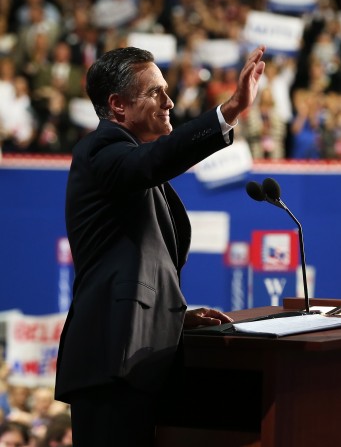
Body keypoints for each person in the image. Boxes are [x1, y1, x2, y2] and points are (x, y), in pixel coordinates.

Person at [54, 44, 266, 446]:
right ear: (117, 105)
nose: (169, 102)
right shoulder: (99, 150)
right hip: (111, 360)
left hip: (139, 357)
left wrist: (174, 317)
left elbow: (139, 260)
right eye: (156, 92)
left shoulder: (132, 165)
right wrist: (229, 111)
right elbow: (151, 163)